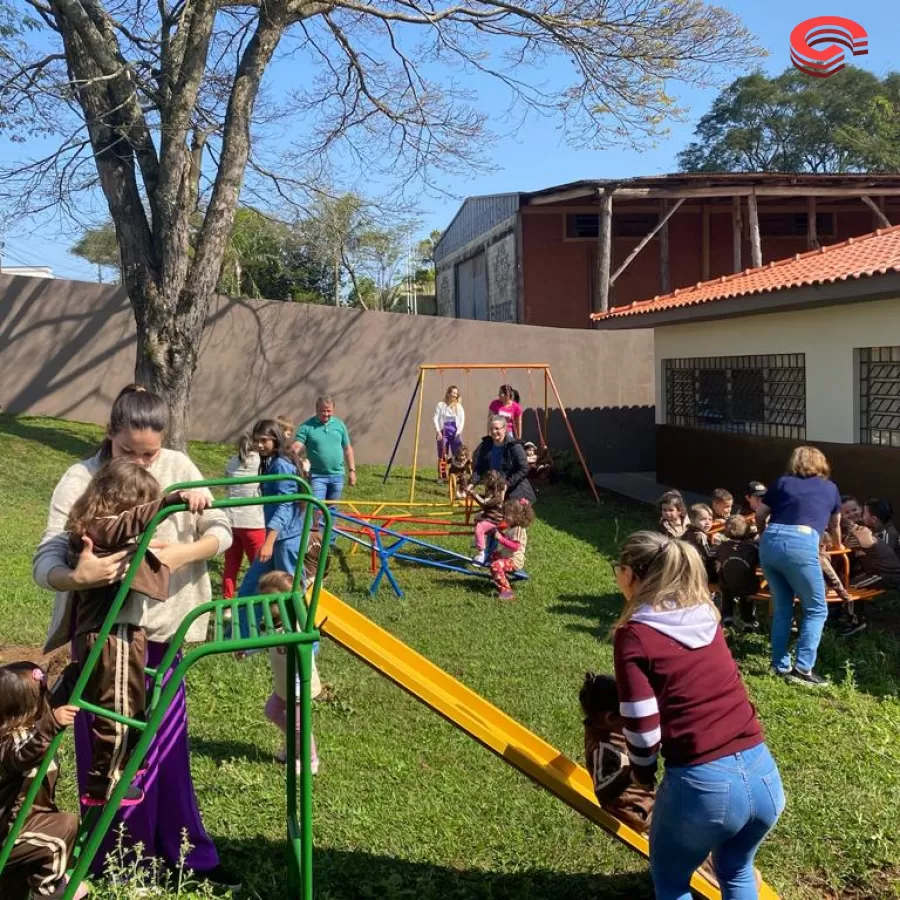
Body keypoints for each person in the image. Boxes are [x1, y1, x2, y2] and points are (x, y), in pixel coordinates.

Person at [31, 386, 238, 890]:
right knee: (107, 749)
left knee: (164, 748)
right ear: (110, 434)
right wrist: (78, 577)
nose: (144, 461)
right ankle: (115, 857)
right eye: (130, 453)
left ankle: (186, 855)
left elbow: (223, 528)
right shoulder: (81, 477)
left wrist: (180, 555)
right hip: (101, 643)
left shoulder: (178, 466)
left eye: (151, 453)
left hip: (162, 635)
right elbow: (46, 560)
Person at [612, 531, 784, 899]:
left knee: (672, 882)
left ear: (632, 575)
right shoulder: (707, 613)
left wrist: (642, 774)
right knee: (735, 869)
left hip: (704, 787)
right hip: (764, 776)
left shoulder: (635, 635)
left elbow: (642, 726)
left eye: (618, 569)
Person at [57, 459, 210, 808]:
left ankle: (128, 764)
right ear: (122, 501)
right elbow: (129, 522)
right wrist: (170, 502)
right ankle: (104, 782)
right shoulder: (98, 529)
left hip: (124, 633)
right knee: (117, 711)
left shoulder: (103, 527)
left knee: (134, 703)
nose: (145, 520)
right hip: (110, 637)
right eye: (142, 506)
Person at [578, 671, 760, 892]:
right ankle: (717, 874)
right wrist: (632, 771)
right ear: (609, 718)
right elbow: (604, 791)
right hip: (636, 811)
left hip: (645, 800)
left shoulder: (609, 729)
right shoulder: (602, 748)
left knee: (694, 817)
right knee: (683, 835)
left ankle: (721, 861)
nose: (635, 722)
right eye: (630, 717)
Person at [755, 446, 842, 687]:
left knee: (783, 607)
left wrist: (763, 537)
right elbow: (835, 524)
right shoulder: (830, 487)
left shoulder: (782, 482)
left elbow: (760, 514)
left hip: (771, 543)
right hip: (802, 543)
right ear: (821, 463)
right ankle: (803, 669)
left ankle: (779, 665)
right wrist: (837, 545)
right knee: (816, 609)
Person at [0, 663, 85, 900]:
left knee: (12, 890)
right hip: (9, 830)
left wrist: (75, 674)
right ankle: (47, 893)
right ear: (25, 707)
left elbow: (54, 703)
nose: (48, 699)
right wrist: (50, 725)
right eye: (42, 695)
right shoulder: (9, 741)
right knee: (61, 831)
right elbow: (23, 754)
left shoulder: (34, 727)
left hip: (31, 821)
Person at [235, 420, 306, 618]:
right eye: (257, 440)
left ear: (275, 438)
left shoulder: (282, 465)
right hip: (275, 538)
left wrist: (268, 542)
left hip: (285, 539)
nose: (259, 445)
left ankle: (305, 643)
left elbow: (285, 506)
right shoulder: (271, 463)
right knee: (252, 586)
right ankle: (244, 641)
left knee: (291, 592)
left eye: (264, 440)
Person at [257, 571, 322, 775]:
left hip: (297, 685)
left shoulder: (295, 626)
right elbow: (261, 641)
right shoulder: (271, 622)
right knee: (272, 711)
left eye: (268, 604)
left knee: (299, 726)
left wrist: (297, 684)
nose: (264, 608)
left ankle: (311, 759)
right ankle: (295, 745)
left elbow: (308, 651)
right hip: (283, 684)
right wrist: (247, 651)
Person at [294, 396, 355, 537]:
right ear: (316, 410)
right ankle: (314, 541)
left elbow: (347, 448)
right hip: (317, 476)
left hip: (337, 475)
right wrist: (287, 455)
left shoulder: (339, 425)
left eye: (329, 411)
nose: (326, 414)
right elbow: (298, 445)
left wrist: (352, 470)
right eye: (323, 411)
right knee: (315, 507)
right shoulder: (307, 426)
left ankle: (329, 541)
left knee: (332, 509)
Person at [222, 433, 266, 599]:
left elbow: (227, 480)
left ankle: (227, 601)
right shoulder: (261, 462)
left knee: (231, 564)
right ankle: (254, 599)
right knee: (259, 565)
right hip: (253, 521)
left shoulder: (233, 461)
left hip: (231, 519)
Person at [471, 416, 536, 506]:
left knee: (506, 517)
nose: (494, 432)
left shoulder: (514, 446)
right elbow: (479, 468)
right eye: (492, 429)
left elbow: (524, 469)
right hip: (494, 490)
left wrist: (507, 484)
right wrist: (472, 483)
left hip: (515, 491)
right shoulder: (485, 445)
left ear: (505, 429)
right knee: (490, 516)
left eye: (497, 428)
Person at [716, 515, 761, 632]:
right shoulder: (752, 549)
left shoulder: (722, 547)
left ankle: (727, 616)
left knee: (726, 592)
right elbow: (759, 562)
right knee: (746, 597)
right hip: (747, 584)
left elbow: (715, 556)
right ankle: (748, 622)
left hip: (727, 583)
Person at [487, 498, 534, 600]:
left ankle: (507, 592)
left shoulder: (518, 530)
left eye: (508, 514)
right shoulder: (512, 528)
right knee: (492, 555)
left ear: (518, 516)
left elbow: (514, 546)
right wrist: (500, 534)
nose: (505, 516)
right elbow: (507, 539)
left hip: (514, 561)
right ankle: (500, 577)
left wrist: (499, 537)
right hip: (507, 556)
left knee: (495, 565)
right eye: (505, 513)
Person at [467, 471, 507, 565]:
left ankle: (481, 554)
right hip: (489, 516)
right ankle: (479, 542)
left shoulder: (497, 496)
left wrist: (474, 494)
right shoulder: (491, 491)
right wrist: (473, 495)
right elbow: (485, 498)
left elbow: (485, 503)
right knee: (477, 517)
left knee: (479, 528)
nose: (484, 483)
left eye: (486, 481)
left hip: (494, 519)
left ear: (491, 480)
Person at [433, 386, 465, 477]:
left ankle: (457, 473)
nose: (455, 395)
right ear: (448, 393)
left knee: (458, 453)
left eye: (456, 394)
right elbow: (435, 418)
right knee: (443, 454)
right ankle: (442, 475)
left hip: (455, 431)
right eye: (453, 393)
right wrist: (438, 431)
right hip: (443, 432)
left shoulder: (458, 406)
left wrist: (458, 433)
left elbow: (462, 420)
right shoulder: (441, 405)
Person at [681, 503, 717, 582]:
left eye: (710, 519)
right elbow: (709, 554)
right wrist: (720, 548)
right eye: (703, 519)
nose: (707, 522)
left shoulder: (688, 532)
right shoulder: (700, 536)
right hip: (700, 569)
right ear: (692, 520)